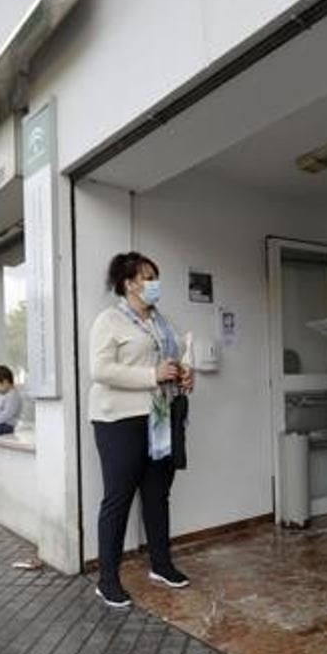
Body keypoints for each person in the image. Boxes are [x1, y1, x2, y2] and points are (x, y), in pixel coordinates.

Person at [88, 252, 195, 608]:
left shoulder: (161, 322)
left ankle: (161, 565)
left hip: (158, 417)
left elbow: (172, 362)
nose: (153, 283)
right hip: (117, 419)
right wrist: (152, 376)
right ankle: (107, 580)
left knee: (157, 494)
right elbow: (100, 370)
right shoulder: (110, 320)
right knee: (117, 499)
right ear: (128, 283)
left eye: (155, 276)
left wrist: (183, 374)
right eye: (147, 277)